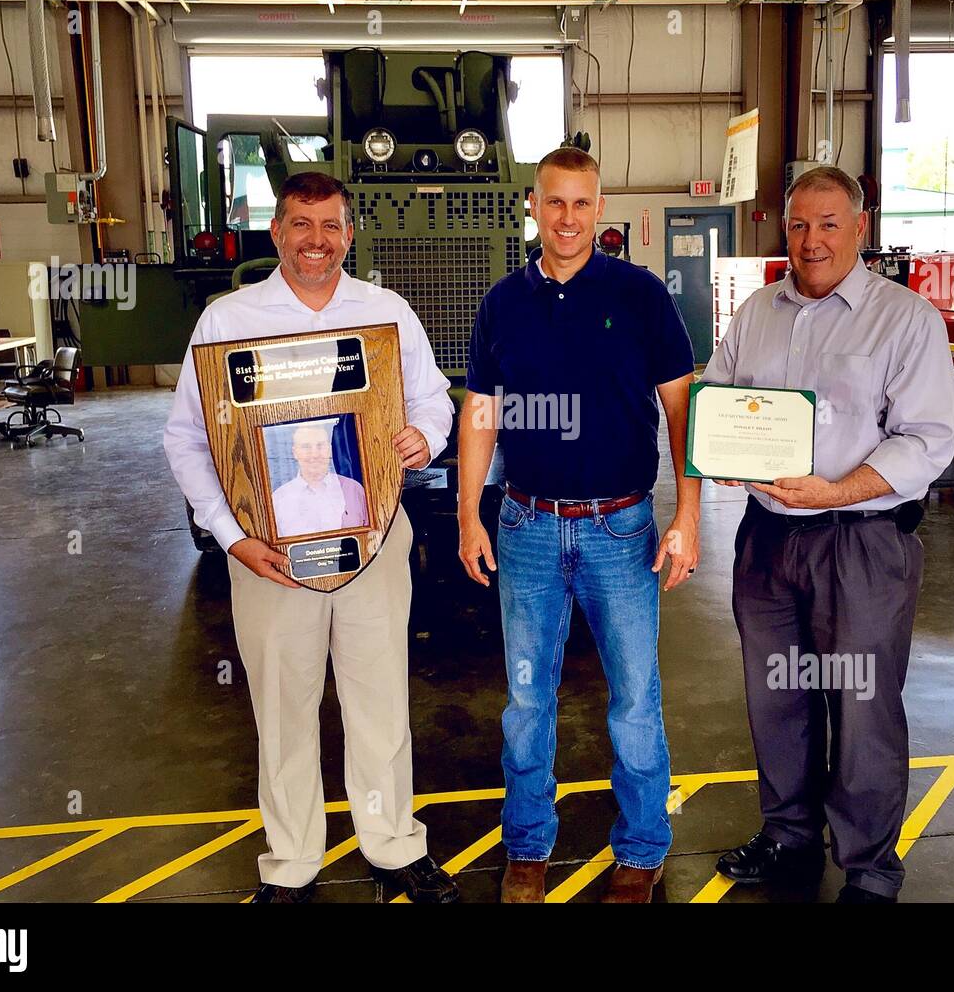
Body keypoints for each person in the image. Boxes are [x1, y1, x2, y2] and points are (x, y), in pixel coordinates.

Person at [164, 171, 458, 903]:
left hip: (374, 535)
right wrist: (231, 537)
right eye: (301, 224)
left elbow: (432, 399)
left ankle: (393, 846)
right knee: (284, 706)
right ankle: (292, 862)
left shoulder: (385, 311)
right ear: (278, 232)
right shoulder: (228, 321)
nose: (316, 241)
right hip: (268, 555)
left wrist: (425, 433)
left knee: (380, 700)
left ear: (350, 234)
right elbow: (187, 439)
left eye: (330, 226)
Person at [703, 165, 954, 903]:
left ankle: (871, 868)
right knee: (777, 698)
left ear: (859, 227)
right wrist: (719, 453)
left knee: (861, 704)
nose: (811, 241)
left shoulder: (903, 318)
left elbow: (927, 441)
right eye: (798, 226)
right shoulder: (757, 313)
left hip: (861, 541)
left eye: (828, 224)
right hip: (768, 537)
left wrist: (839, 489)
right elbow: (720, 394)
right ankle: (788, 838)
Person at [457, 146, 700, 904]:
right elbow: (481, 415)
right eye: (554, 203)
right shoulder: (502, 302)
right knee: (527, 697)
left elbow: (682, 409)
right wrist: (470, 513)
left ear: (601, 209)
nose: (568, 219)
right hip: (526, 524)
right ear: (533, 205)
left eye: (582, 204)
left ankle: (641, 848)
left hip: (621, 528)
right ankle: (528, 845)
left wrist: (687, 516)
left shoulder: (641, 295)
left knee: (634, 697)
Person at [270, 421, 368, 537]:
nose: (315, 454)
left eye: (320, 446)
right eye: (306, 447)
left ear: (329, 449)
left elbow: (372, 540)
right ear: (295, 452)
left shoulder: (354, 490)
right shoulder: (278, 500)